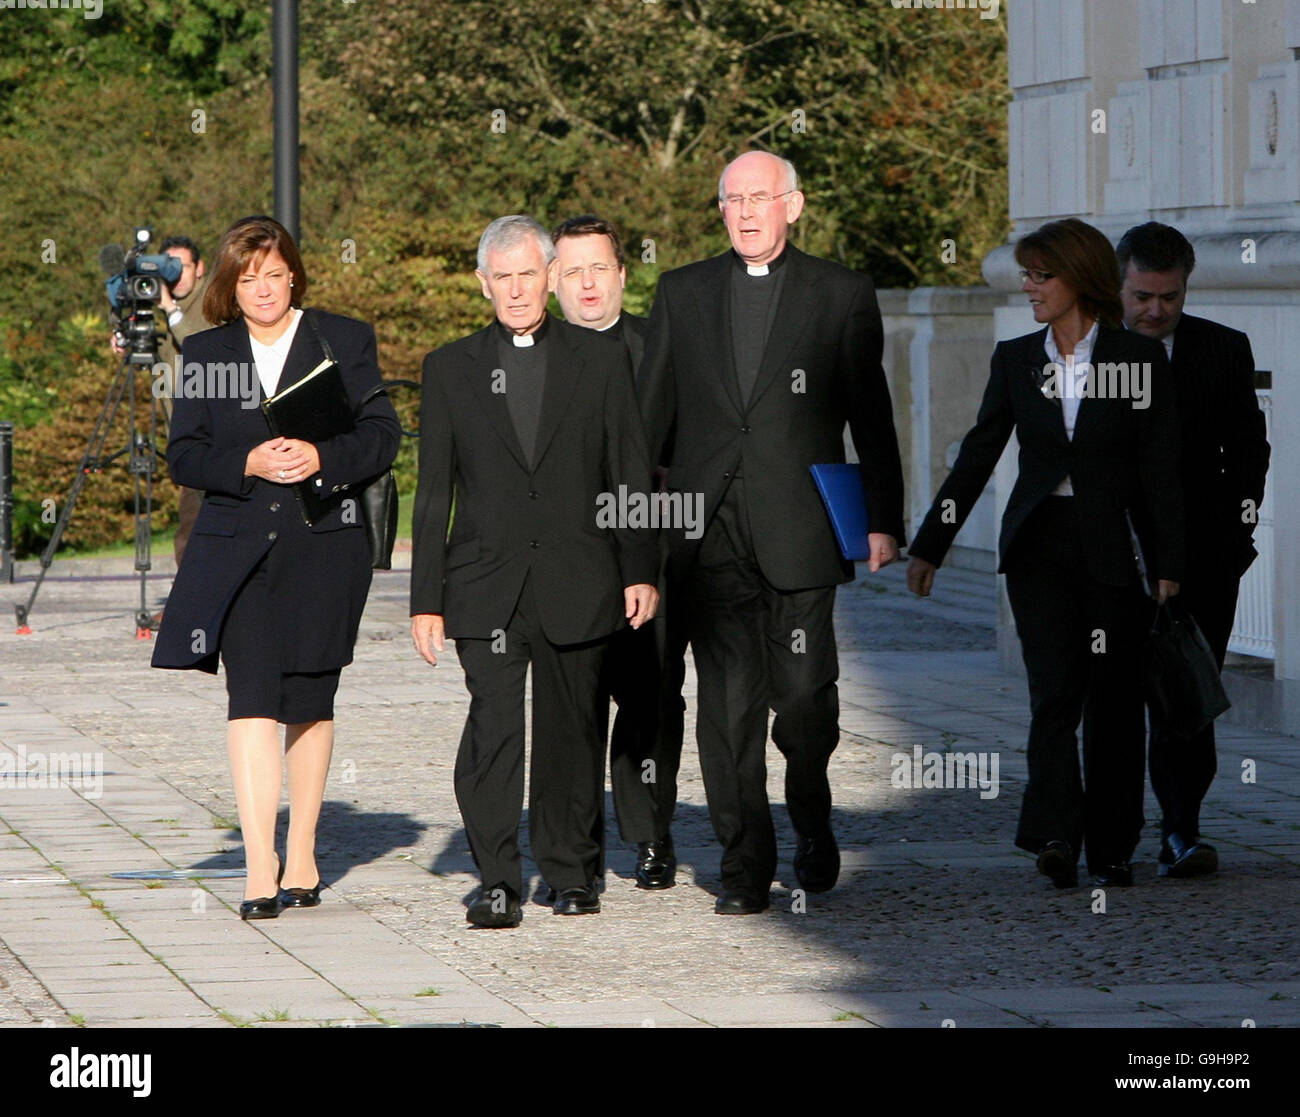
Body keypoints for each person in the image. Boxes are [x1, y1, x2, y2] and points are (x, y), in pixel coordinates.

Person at [638, 151, 906, 914]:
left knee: (803, 703)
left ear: (794, 205)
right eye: (734, 199)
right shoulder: (682, 292)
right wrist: (635, 525)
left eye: (762, 197)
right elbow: (647, 425)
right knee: (726, 712)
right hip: (705, 535)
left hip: (801, 533)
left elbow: (870, 414)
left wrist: (883, 520)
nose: (748, 211)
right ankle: (744, 868)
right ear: (719, 210)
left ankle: (812, 814)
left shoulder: (840, 293)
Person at [907, 218, 1184, 888]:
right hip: (1040, 549)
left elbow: (1162, 470)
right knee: (1053, 695)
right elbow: (976, 458)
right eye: (1027, 275)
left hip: (1114, 550)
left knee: (1115, 704)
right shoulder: (1016, 359)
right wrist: (931, 544)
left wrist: (1171, 563)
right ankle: (1057, 832)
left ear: (1078, 279)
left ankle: (1113, 845)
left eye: (1040, 275)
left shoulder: (1137, 360)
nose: (1029, 286)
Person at [410, 215, 660, 928]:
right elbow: (434, 492)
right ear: (482, 283)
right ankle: (495, 877)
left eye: (529, 274)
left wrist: (638, 567)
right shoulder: (450, 367)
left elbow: (629, 474)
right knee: (493, 729)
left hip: (580, 575)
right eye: (502, 277)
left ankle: (571, 871)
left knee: (572, 729)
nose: (517, 290)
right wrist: (425, 597)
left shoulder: (598, 359)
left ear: (549, 277)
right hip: (484, 582)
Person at [151, 215, 401, 919]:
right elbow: (184, 456)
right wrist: (247, 461)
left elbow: (382, 436)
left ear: (294, 271)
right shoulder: (206, 351)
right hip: (237, 552)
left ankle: (303, 851)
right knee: (252, 697)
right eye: (247, 276)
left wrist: (324, 457)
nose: (262, 287)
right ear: (230, 284)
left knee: (309, 703)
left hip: (326, 546)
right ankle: (260, 864)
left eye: (273, 272)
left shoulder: (341, 338)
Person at [1117, 221, 1270, 879]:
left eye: (1169, 298)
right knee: (1113, 695)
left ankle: (1181, 829)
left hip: (1207, 556)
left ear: (1186, 288)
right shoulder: (1089, 350)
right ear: (1119, 285)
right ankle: (1104, 832)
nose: (1155, 310)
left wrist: (1238, 529)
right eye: (1143, 296)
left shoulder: (1222, 349)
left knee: (1186, 696)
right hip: (1118, 551)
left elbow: (1248, 447)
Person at [551, 214, 678, 891]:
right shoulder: (532, 356)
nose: (588, 283)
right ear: (552, 282)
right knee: (574, 705)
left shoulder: (660, 347)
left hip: (650, 550)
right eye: (573, 271)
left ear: (623, 274)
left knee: (651, 698)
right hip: (564, 558)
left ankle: (650, 830)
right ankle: (577, 844)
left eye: (599, 267)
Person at [154, 236, 213, 571]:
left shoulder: (211, 300)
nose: (174, 276)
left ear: (199, 268)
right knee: (192, 521)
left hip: (210, 433)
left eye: (181, 267)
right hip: (183, 433)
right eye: (168, 268)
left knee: (193, 524)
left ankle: (190, 603)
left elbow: (200, 347)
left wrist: (171, 310)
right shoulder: (162, 305)